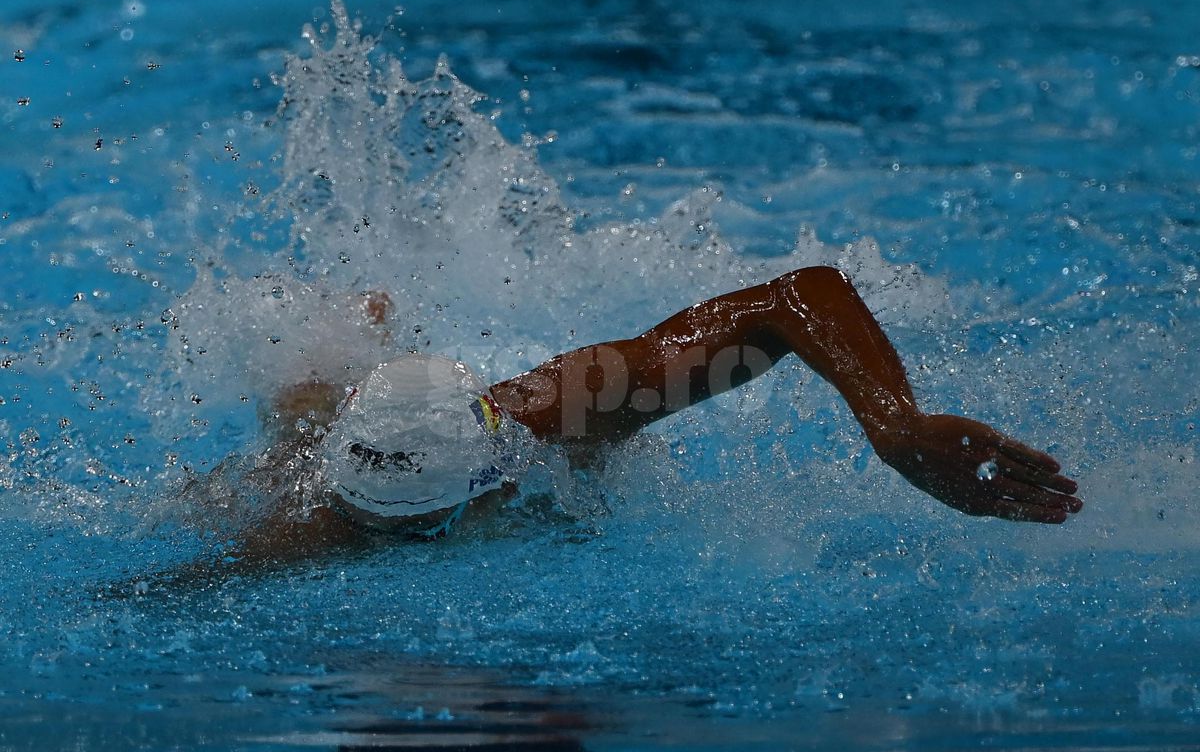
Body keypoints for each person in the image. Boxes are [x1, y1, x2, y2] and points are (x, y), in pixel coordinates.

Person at [226, 265, 1080, 571]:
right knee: (296, 421)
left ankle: (355, 340)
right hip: (337, 444)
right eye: (375, 527)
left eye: (422, 528)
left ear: (492, 476)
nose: (400, 544)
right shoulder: (315, 526)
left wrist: (893, 424)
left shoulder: (566, 411)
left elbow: (794, 298)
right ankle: (337, 366)